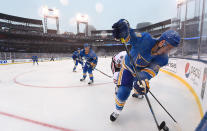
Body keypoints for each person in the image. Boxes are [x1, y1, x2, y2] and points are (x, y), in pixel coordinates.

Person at [110, 19, 181, 121]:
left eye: (172, 49)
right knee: (123, 92)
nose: (169, 51)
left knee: (140, 86)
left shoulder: (163, 59)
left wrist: (143, 79)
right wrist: (125, 32)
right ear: (162, 42)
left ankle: (137, 91)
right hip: (128, 68)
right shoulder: (145, 39)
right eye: (169, 48)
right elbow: (132, 36)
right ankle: (117, 111)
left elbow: (151, 71)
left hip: (140, 72)